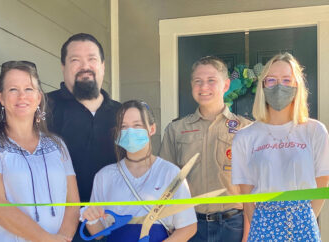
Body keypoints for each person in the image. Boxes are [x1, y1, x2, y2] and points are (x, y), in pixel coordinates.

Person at [0, 61, 80, 242]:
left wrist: (63, 238)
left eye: (28, 89)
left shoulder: (57, 145)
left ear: (39, 97)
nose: (22, 96)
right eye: (13, 89)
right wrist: (46, 239)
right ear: (1, 97)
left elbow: (73, 204)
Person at [232, 52, 329, 241]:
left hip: (303, 223)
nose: (279, 86)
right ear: (262, 86)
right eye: (271, 80)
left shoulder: (315, 131)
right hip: (263, 223)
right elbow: (247, 195)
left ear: (296, 86)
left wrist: (304, 219)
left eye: (286, 80)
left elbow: (322, 183)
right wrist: (264, 224)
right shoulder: (245, 137)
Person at [159, 56, 252, 241]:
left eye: (211, 81)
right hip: (190, 225)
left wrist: (248, 234)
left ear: (226, 85)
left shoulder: (246, 129)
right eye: (198, 81)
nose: (204, 87)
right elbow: (165, 182)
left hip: (234, 225)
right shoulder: (176, 130)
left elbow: (254, 188)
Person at [82, 100, 197, 242]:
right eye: (123, 126)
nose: (130, 131)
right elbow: (99, 234)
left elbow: (188, 226)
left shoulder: (171, 173)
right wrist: (90, 218)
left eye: (137, 125)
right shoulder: (104, 176)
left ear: (152, 129)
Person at [47, 33, 121, 204]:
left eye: (92, 59)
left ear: (103, 66)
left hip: (113, 219)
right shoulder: (42, 109)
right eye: (75, 60)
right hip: (58, 220)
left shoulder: (123, 114)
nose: (85, 66)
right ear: (63, 66)